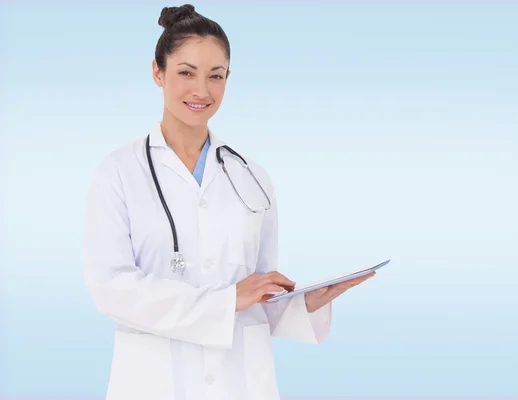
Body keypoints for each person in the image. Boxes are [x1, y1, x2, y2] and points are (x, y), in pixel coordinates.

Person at [82, 4, 375, 400]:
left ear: (228, 79)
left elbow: (259, 293)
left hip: (242, 384)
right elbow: (111, 288)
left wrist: (304, 303)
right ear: (158, 72)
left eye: (215, 76)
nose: (202, 90)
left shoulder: (252, 178)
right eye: (186, 72)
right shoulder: (117, 172)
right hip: (155, 383)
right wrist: (225, 302)